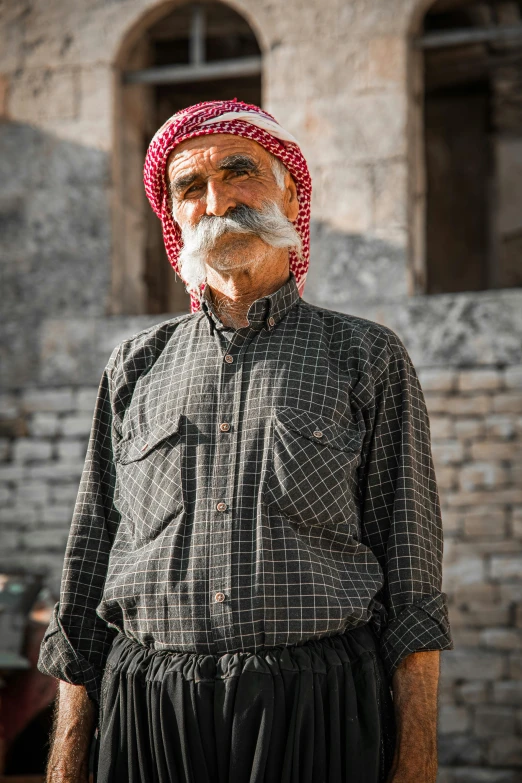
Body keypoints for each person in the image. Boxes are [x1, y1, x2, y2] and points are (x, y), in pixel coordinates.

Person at [38, 100, 452, 783]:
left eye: (240, 172)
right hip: (149, 710)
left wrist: (416, 759)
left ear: (290, 187)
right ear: (173, 216)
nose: (217, 199)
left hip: (316, 707)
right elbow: (86, 578)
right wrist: (66, 761)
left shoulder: (365, 356)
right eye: (190, 188)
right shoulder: (135, 367)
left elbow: (412, 583)